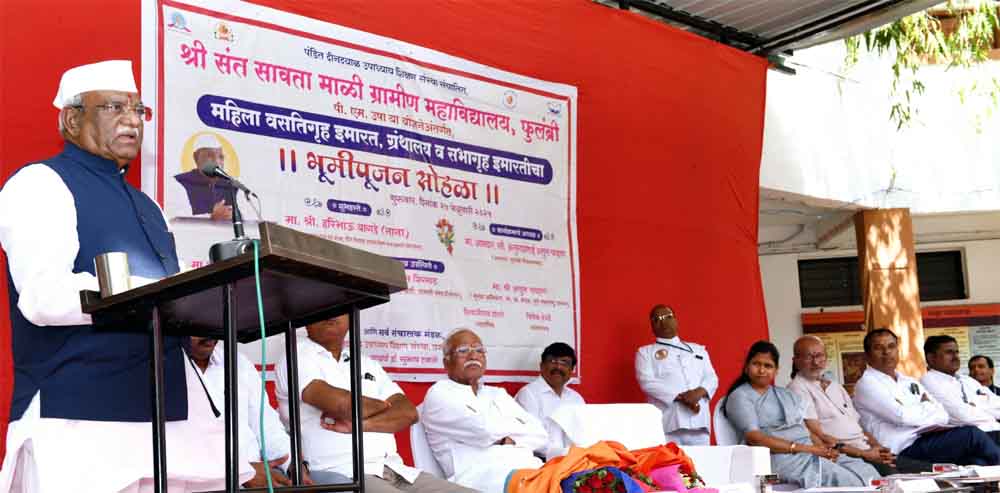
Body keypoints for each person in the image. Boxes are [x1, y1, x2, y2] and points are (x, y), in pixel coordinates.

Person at [0, 60, 249, 492]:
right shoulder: (39, 184)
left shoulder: (149, 207)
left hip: (168, 418)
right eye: (114, 107)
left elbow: (170, 300)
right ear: (72, 120)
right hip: (80, 419)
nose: (132, 121)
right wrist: (152, 293)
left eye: (138, 110)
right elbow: (44, 296)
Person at [274, 316, 474, 493]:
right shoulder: (297, 356)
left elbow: (408, 413)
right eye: (322, 308)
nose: (331, 315)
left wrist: (360, 424)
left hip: (397, 471)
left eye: (338, 309)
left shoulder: (365, 363)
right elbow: (343, 406)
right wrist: (385, 405)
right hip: (343, 473)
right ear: (306, 320)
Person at [723, 341, 878, 488]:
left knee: (867, 472)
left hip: (806, 452)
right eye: (756, 364)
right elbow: (754, 437)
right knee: (845, 480)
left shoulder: (785, 394)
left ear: (776, 370)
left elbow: (803, 429)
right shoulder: (740, 396)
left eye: (768, 366)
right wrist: (808, 449)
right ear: (746, 367)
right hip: (776, 459)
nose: (762, 370)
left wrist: (823, 450)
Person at [422, 329, 547, 493]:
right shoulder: (440, 393)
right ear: (446, 362)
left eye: (479, 350)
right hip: (482, 479)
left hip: (532, 471)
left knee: (577, 469)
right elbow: (484, 431)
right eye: (463, 350)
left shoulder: (497, 393)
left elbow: (540, 435)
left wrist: (503, 439)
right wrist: (515, 431)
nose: (473, 356)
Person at [853, 329, 1000, 468]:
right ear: (867, 355)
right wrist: (925, 406)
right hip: (901, 448)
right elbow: (902, 417)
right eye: (878, 348)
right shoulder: (867, 383)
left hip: (926, 439)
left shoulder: (908, 381)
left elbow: (942, 415)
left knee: (977, 460)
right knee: (971, 434)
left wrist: (917, 410)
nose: (886, 352)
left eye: (891, 346)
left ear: (897, 351)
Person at [189, 336, 313, 488]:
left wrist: (293, 465)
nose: (209, 335)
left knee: (329, 481)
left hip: (259, 478)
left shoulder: (237, 361)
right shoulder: (165, 365)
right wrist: (241, 472)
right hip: (200, 482)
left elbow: (266, 426)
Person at [787, 336, 897, 475]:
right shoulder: (797, 388)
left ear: (826, 357)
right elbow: (820, 437)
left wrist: (878, 448)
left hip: (867, 450)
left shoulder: (835, 386)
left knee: (919, 469)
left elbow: (858, 426)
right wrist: (865, 454)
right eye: (809, 357)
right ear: (796, 361)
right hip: (847, 456)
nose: (815, 362)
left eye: (819, 355)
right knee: (897, 478)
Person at [635, 304, 718, 445]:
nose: (663, 322)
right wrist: (682, 398)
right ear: (652, 326)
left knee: (702, 459)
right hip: (669, 422)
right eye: (657, 319)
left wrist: (698, 393)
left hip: (699, 422)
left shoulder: (698, 349)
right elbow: (647, 382)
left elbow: (711, 378)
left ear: (676, 320)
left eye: (667, 317)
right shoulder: (645, 352)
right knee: (670, 459)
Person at [515, 342, 586, 459]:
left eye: (564, 362)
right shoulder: (528, 394)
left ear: (572, 370)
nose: (558, 367)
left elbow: (584, 434)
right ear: (542, 366)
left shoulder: (576, 398)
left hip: (574, 460)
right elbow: (531, 437)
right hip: (539, 461)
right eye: (553, 361)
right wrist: (564, 454)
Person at [921, 335, 1000, 441]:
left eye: (957, 352)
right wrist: (992, 417)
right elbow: (961, 415)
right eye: (949, 352)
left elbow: (997, 402)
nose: (955, 357)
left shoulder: (967, 380)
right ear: (931, 357)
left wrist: (976, 407)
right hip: (971, 437)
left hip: (993, 430)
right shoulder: (929, 380)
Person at [173, 133, 233, 220]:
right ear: (196, 158)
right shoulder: (179, 182)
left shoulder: (232, 185)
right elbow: (175, 219)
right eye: (210, 156)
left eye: (221, 157)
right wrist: (212, 217)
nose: (217, 162)